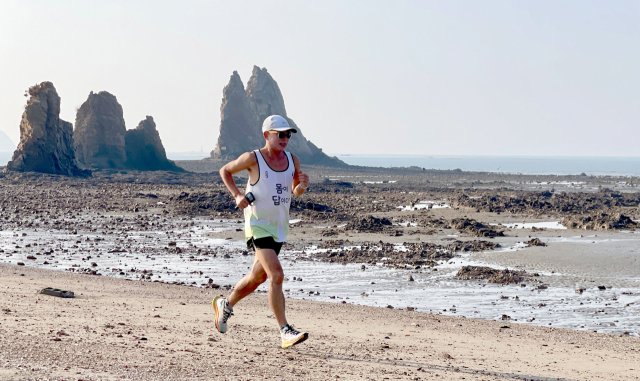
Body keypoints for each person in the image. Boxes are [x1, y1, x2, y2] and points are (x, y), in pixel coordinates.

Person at [214, 114, 310, 349]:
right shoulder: (252, 158)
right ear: (267, 135)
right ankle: (285, 331)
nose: (285, 138)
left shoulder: (292, 160)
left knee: (258, 277)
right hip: (257, 225)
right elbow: (225, 171)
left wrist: (302, 187)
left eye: (288, 134)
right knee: (276, 275)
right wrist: (237, 195)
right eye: (281, 134)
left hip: (279, 227)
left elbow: (294, 191)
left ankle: (225, 305)